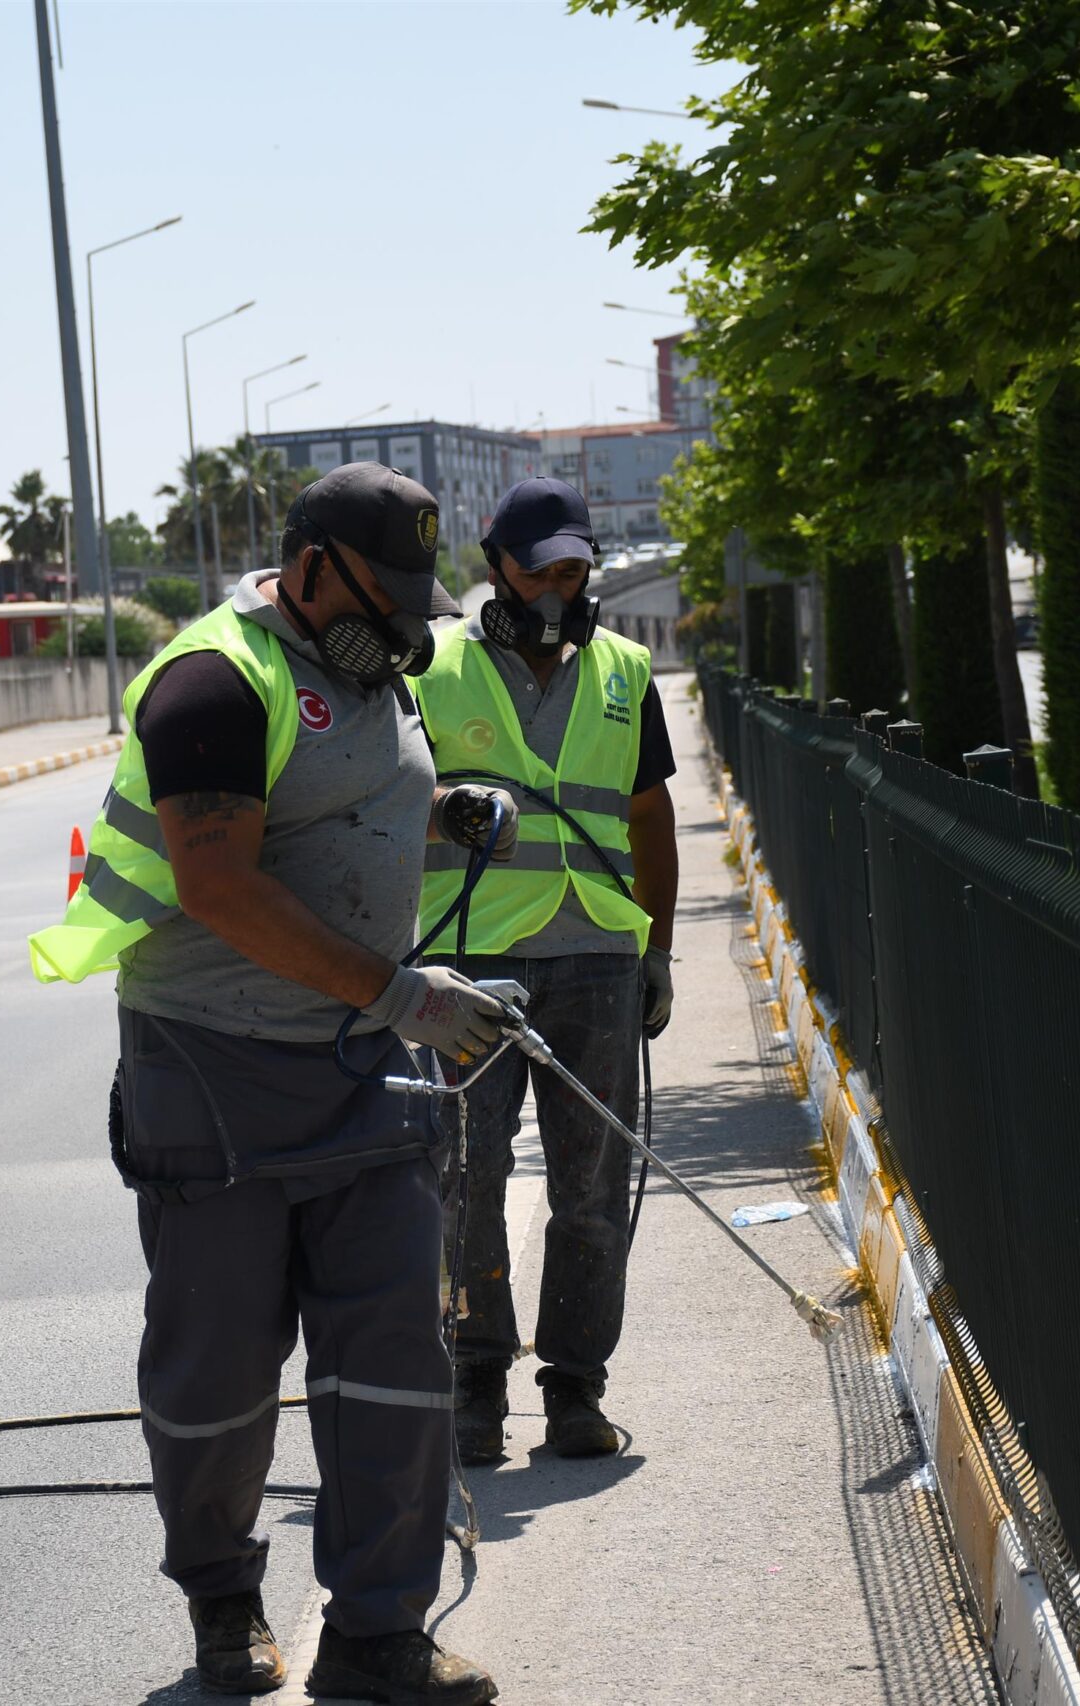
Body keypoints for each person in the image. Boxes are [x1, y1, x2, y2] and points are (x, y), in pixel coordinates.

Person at [30, 464, 509, 1704]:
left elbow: (331, 801)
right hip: (215, 1065)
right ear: (307, 569)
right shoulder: (210, 681)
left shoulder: (372, 665)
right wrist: (400, 993)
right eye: (380, 593)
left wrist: (442, 812)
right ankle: (222, 1601)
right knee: (220, 1366)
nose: (400, 622)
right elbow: (221, 882)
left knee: (394, 1351)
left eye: (411, 598)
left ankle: (376, 1632)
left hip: (362, 1064)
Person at [409, 476, 679, 1467]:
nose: (559, 589)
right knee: (463, 1179)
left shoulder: (624, 671)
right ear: (496, 566)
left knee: (592, 1186)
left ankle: (575, 1388)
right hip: (468, 962)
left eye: (574, 571)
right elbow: (383, 800)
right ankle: (474, 1385)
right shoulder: (430, 666)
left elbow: (648, 817)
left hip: (596, 959)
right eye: (540, 572)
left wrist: (656, 949)